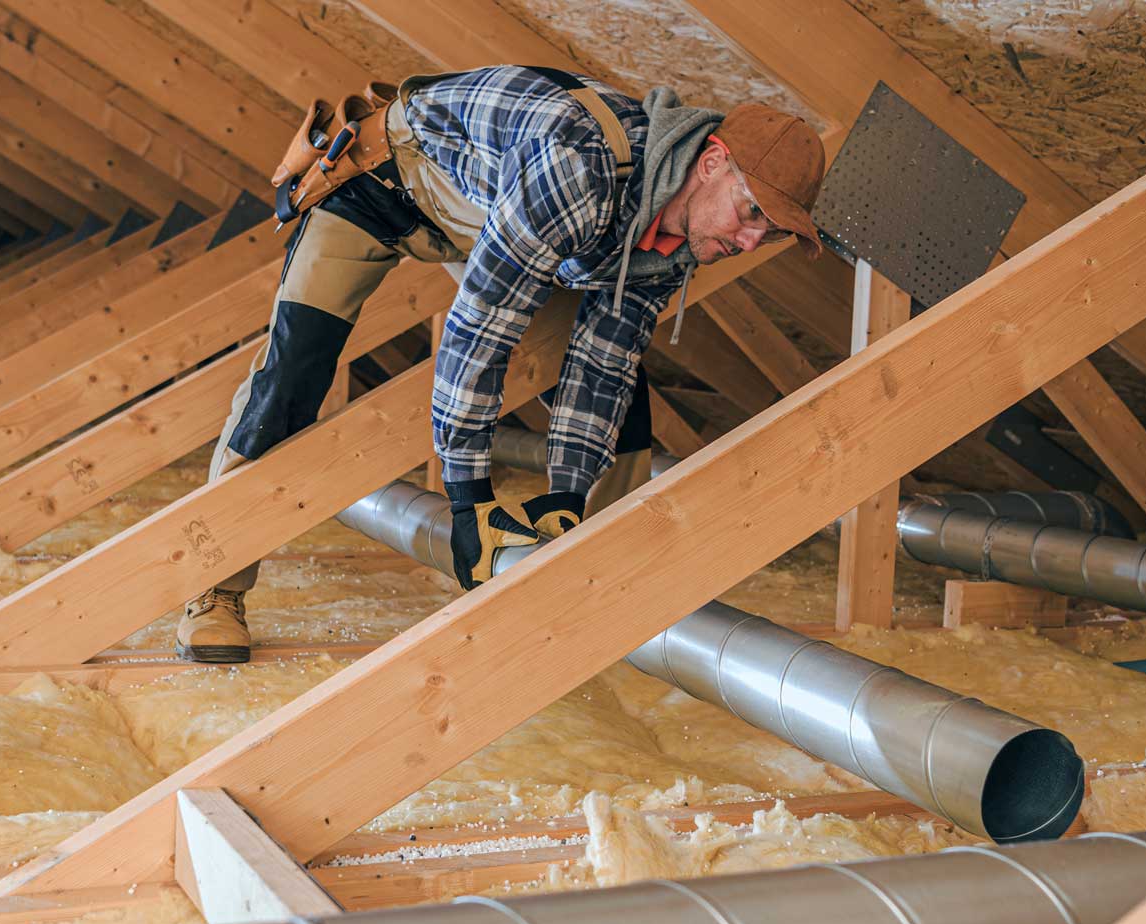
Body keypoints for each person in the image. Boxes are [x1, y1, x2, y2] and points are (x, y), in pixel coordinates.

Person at [176, 64, 827, 663]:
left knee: (625, 395)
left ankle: (596, 578)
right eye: (752, 215)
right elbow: (480, 328)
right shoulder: (582, 164)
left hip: (482, 215)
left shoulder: (676, 235)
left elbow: (602, 364)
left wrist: (564, 497)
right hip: (379, 187)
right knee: (294, 373)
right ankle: (214, 587)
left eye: (768, 234)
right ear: (712, 162)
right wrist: (468, 501)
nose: (748, 242)